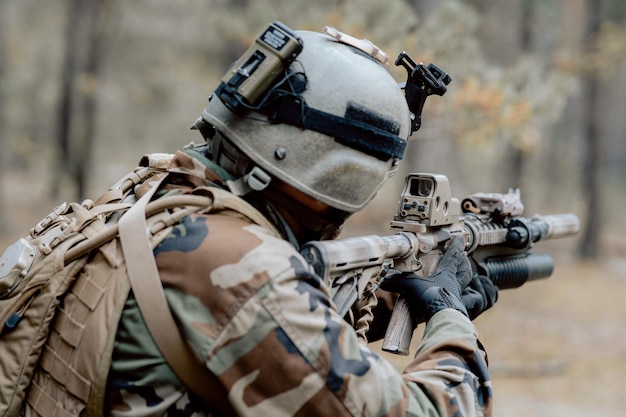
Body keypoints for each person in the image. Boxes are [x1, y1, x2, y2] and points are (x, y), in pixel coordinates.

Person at [34, 23, 498, 416]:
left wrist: (383, 304)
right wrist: (450, 319)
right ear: (344, 173)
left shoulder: (151, 196)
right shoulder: (242, 267)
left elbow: (240, 334)